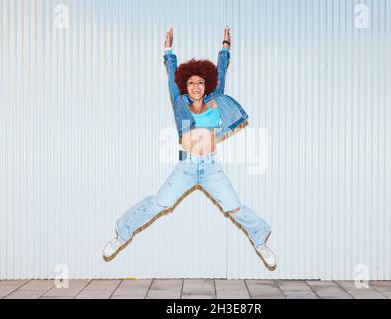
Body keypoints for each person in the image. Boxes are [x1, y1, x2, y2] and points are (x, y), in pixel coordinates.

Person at [102, 27, 276, 270]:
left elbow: (221, 70)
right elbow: (171, 74)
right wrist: (168, 51)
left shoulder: (215, 100)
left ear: (207, 85)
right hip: (186, 165)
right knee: (159, 204)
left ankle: (260, 241)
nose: (196, 86)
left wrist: (225, 45)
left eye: (201, 82)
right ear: (186, 85)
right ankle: (122, 235)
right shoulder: (180, 103)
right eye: (192, 82)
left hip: (211, 166)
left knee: (235, 208)